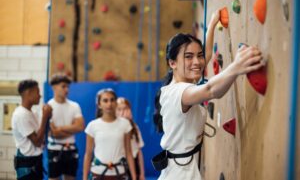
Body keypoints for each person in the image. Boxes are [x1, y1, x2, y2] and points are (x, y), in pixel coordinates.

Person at [152, 30, 264, 178]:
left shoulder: (183, 83)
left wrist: (212, 22)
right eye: (188, 57)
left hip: (182, 169)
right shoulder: (178, 92)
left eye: (199, 55)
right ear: (172, 63)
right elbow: (211, 90)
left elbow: (207, 56)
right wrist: (237, 66)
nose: (197, 62)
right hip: (180, 174)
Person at [83, 88, 137, 180]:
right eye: (105, 100)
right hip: (98, 174)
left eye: (112, 100)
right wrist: (84, 178)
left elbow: (128, 153)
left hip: (119, 174)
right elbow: (88, 154)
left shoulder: (125, 124)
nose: (109, 104)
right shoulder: (92, 126)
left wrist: (134, 177)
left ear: (116, 103)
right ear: (99, 104)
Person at [12, 79, 52, 180]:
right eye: (37, 92)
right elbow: (37, 142)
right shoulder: (20, 115)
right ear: (29, 93)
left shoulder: (33, 113)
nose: (40, 95)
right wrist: (44, 118)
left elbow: (42, 134)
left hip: (36, 162)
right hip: (27, 166)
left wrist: (47, 117)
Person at [47, 73, 85, 180]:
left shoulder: (74, 106)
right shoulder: (49, 107)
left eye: (68, 86)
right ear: (54, 87)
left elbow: (81, 126)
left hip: (71, 149)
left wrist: (60, 128)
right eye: (63, 86)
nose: (66, 89)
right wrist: (72, 128)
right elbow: (54, 133)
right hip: (54, 149)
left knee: (70, 178)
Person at [116, 97, 145, 180]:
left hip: (134, 165)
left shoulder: (135, 128)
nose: (122, 112)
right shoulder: (114, 129)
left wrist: (142, 173)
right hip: (120, 165)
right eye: (119, 109)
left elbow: (139, 152)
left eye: (125, 109)